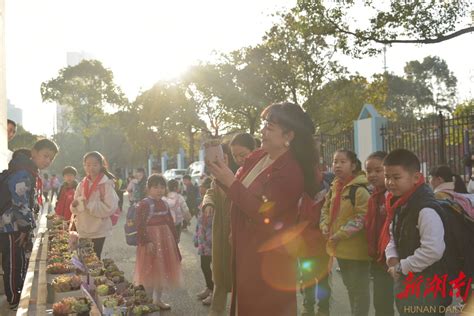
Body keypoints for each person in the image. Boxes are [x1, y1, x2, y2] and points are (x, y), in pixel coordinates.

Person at [207, 102, 318, 316]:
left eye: (270, 127)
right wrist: (219, 172)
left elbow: (264, 212)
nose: (263, 131)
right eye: (264, 124)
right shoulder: (259, 156)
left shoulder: (291, 172)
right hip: (246, 247)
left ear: (289, 135)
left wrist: (230, 182)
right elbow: (237, 191)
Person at [383, 149, 452, 315]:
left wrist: (402, 267)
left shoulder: (425, 209)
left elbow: (433, 250)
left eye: (396, 177)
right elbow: (394, 235)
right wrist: (391, 256)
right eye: (387, 176)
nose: (390, 182)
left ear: (415, 178)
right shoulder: (401, 203)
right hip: (409, 285)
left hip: (428, 291)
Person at [0, 139, 58, 310]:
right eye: (45, 155)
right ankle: (13, 299)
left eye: (51, 158)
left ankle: (18, 293)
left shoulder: (29, 170)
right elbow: (20, 202)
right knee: (12, 262)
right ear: (33, 152)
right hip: (10, 226)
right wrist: (25, 227)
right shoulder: (23, 172)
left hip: (16, 225)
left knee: (18, 259)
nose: (47, 161)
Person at [320, 149, 371, 316]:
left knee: (360, 292)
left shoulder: (359, 190)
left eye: (343, 162)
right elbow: (325, 209)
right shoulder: (335, 187)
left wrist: (340, 234)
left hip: (357, 251)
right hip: (340, 249)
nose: (337, 165)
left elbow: (362, 218)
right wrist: (325, 225)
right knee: (351, 288)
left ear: (353, 165)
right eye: (335, 162)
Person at [134, 174, 182, 310]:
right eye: (155, 187)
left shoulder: (165, 203)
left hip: (165, 241)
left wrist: (174, 238)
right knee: (149, 271)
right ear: (148, 189)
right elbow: (140, 224)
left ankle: (158, 299)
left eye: (162, 187)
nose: (159, 190)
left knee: (162, 270)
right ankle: (148, 301)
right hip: (150, 242)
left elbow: (170, 222)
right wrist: (146, 241)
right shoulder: (144, 204)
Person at [201, 143, 238, 314]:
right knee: (220, 280)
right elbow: (211, 192)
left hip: (236, 235)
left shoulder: (241, 175)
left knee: (238, 280)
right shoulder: (218, 179)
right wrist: (208, 203)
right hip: (220, 234)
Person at [70, 151, 119, 259]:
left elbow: (110, 207)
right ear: (84, 166)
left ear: (101, 165)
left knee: (95, 259)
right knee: (83, 258)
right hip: (83, 228)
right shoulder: (82, 184)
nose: (91, 167)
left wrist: (89, 204)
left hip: (99, 229)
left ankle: (93, 276)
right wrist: (74, 205)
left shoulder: (106, 184)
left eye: (95, 165)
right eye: (88, 165)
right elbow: (75, 207)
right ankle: (85, 276)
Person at [297, 169, 331, 316]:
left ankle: (323, 308)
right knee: (307, 278)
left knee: (322, 278)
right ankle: (308, 307)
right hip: (303, 246)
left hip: (322, 245)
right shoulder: (299, 195)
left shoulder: (327, 194)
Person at [364, 151, 394, 316]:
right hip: (377, 258)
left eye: (378, 170)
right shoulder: (374, 196)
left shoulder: (392, 196)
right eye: (369, 171)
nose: (372, 175)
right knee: (381, 303)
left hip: (391, 258)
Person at [194, 177, 214, 305]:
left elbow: (212, 225)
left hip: (211, 242)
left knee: (214, 268)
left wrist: (209, 239)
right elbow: (199, 224)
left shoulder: (212, 204)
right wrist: (196, 238)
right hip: (203, 241)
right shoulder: (203, 202)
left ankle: (214, 293)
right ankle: (209, 288)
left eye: (203, 187)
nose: (200, 188)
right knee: (204, 266)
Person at [165, 179, 190, 243]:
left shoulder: (164, 197)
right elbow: (185, 210)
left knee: (167, 241)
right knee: (176, 241)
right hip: (177, 224)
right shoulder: (179, 197)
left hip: (166, 223)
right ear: (175, 188)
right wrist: (188, 220)